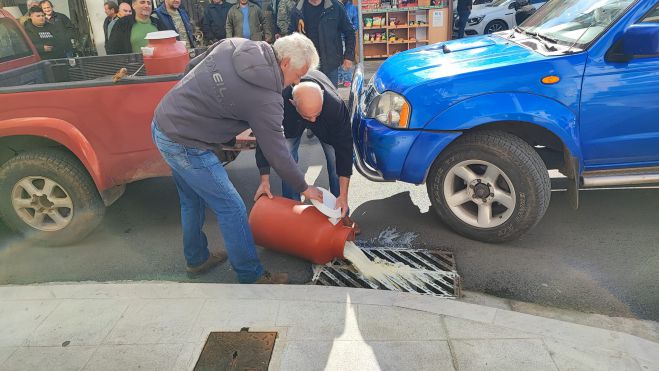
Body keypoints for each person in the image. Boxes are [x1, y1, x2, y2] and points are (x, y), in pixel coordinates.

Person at [151, 33, 322, 284]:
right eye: (298, 75)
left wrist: (200, 105)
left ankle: (197, 260)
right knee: (231, 207)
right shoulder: (267, 98)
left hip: (164, 120)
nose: (297, 81)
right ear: (285, 62)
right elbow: (278, 153)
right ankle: (251, 275)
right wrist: (304, 187)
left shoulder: (236, 44)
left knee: (191, 200)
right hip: (186, 143)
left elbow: (191, 66)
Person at [255, 69, 360, 233]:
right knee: (287, 158)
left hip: (326, 121)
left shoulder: (334, 106)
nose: (313, 121)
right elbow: (265, 138)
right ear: (292, 102)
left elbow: (345, 149)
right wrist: (264, 180)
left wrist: (344, 195)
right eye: (309, 117)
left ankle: (341, 210)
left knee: (334, 159)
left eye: (315, 115)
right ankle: (294, 212)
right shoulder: (278, 100)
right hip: (291, 120)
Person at [289, 0, 355, 87]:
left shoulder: (335, 7)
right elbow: (291, 37)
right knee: (310, 98)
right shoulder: (297, 10)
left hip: (331, 65)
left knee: (331, 98)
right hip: (307, 66)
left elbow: (350, 32)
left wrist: (348, 56)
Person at [337, 0, 358, 87]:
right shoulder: (335, 6)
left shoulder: (352, 7)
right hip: (337, 36)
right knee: (337, 57)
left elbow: (356, 23)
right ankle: (339, 77)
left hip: (348, 36)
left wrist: (349, 29)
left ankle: (347, 78)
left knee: (347, 57)